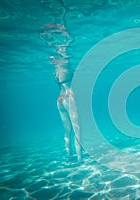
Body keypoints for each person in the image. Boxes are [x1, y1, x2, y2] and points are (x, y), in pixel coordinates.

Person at [40, 23, 82, 161]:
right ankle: (80, 158)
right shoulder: (66, 64)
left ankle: (68, 154)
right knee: (77, 130)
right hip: (70, 97)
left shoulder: (56, 70)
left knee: (67, 130)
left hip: (60, 98)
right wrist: (65, 32)